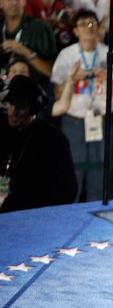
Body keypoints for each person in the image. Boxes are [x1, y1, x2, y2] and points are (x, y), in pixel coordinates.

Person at [50, 10, 113, 202]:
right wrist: (72, 79)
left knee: (99, 177)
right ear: (75, 30)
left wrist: (107, 76)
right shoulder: (67, 55)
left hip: (101, 121)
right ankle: (69, 220)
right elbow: (57, 95)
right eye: (83, 24)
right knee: (72, 174)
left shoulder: (109, 53)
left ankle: (96, 221)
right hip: (73, 121)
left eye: (93, 23)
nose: (89, 28)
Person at [0, 76, 77, 212]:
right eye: (10, 104)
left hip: (35, 214)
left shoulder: (52, 138)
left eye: (20, 106)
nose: (13, 112)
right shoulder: (3, 129)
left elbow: (67, 190)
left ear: (33, 108)